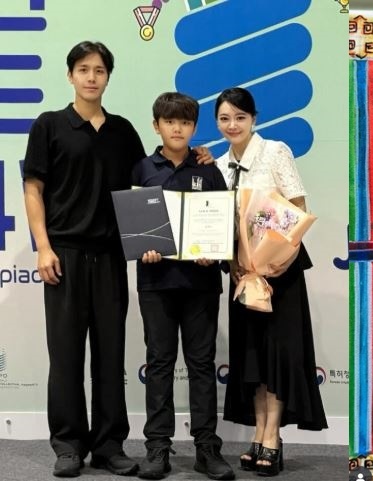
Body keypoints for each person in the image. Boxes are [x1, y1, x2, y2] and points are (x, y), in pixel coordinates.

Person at [22, 41, 211, 479]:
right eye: (83, 69)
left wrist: (200, 157)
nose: (91, 77)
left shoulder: (123, 131)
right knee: (66, 355)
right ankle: (69, 444)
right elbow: (33, 189)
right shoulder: (49, 125)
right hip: (65, 255)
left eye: (100, 70)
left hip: (110, 256)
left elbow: (151, 179)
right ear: (70, 75)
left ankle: (109, 445)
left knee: (110, 355)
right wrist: (43, 247)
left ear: (108, 77)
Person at [214, 87, 327, 477]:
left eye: (240, 117)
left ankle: (272, 438)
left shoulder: (275, 152)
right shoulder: (219, 166)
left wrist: (276, 259)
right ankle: (258, 433)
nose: (233, 125)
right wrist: (235, 264)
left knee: (278, 356)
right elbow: (222, 225)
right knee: (253, 358)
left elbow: (298, 208)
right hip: (244, 275)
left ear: (254, 119)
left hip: (281, 272)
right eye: (225, 118)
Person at [131, 92, 235, 481]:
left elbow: (224, 223)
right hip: (156, 283)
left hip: (201, 283)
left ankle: (207, 448)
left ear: (194, 127)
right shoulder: (143, 169)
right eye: (170, 121)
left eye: (186, 122)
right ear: (156, 125)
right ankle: (157, 448)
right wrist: (144, 248)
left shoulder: (208, 169)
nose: (178, 128)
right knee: (159, 363)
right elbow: (135, 223)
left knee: (201, 365)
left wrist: (215, 252)